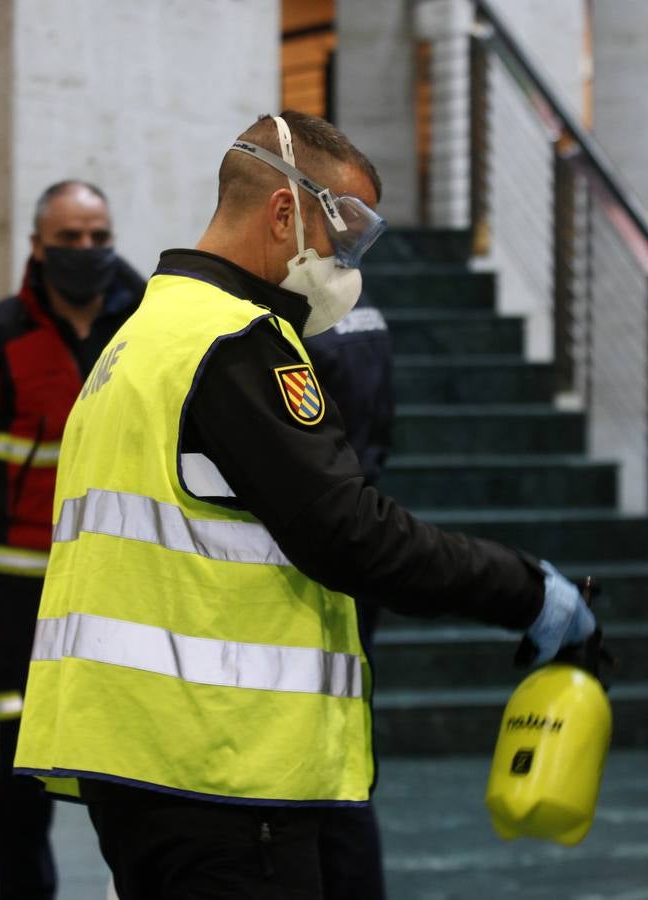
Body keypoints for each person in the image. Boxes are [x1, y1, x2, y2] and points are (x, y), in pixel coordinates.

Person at [13, 110, 595, 898]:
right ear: (285, 211)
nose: (348, 261)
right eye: (344, 231)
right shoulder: (237, 341)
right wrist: (526, 589)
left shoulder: (144, 333)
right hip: (222, 760)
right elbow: (350, 533)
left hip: (143, 752)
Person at [0, 180, 145, 900]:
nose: (86, 251)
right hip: (25, 587)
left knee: (138, 764)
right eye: (69, 238)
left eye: (98, 237)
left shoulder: (149, 328)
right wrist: (6, 503)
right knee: (19, 761)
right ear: (36, 245)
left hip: (130, 580)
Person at [302, 297, 394, 900]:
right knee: (344, 757)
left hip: (309, 558)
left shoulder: (293, 330)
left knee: (325, 770)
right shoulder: (362, 311)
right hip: (356, 544)